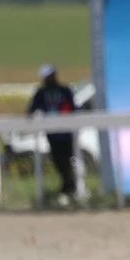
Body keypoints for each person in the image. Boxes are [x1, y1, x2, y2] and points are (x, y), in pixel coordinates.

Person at [27, 64, 78, 206]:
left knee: (68, 162)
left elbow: (73, 109)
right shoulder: (41, 93)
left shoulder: (65, 91)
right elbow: (31, 110)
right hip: (53, 134)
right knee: (59, 162)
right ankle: (68, 188)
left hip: (66, 133)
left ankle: (70, 188)